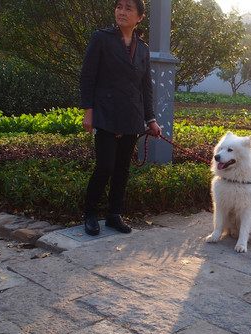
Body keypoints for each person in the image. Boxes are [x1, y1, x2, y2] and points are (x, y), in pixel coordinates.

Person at [80, 0, 161, 235]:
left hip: (131, 116)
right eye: (119, 6)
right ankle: (90, 213)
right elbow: (87, 77)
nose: (122, 12)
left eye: (128, 8)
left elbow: (145, 87)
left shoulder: (143, 49)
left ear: (139, 18)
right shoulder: (101, 39)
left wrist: (151, 119)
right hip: (105, 113)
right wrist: (88, 111)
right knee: (105, 165)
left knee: (122, 169)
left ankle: (114, 214)